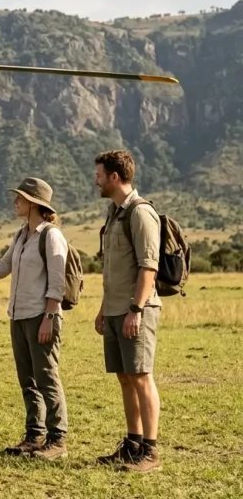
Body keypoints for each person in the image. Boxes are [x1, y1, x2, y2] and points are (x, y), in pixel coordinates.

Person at [0, 177, 70, 460]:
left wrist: (48, 317)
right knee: (28, 379)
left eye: (19, 197)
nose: (14, 201)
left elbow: (57, 284)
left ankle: (58, 440)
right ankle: (35, 435)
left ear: (33, 203)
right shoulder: (21, 235)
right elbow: (0, 268)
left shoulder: (51, 236)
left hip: (41, 316)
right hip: (19, 316)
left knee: (47, 376)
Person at [93, 149, 163, 473]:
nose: (96, 180)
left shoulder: (140, 212)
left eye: (99, 175)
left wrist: (136, 308)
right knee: (124, 377)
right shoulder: (114, 213)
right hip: (116, 308)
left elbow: (148, 266)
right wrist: (104, 309)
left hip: (137, 309)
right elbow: (113, 268)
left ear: (115, 177)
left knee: (142, 376)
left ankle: (151, 452)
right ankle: (133, 444)